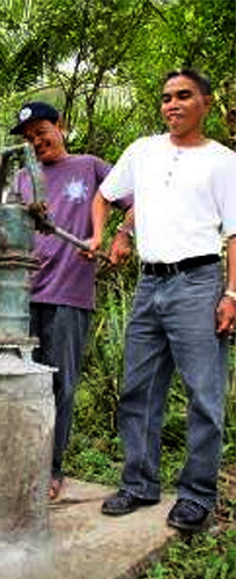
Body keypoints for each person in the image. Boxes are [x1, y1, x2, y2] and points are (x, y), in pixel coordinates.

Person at [98, 69, 236, 532]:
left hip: (198, 282)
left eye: (183, 96)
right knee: (139, 388)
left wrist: (232, 293)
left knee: (203, 393)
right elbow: (107, 194)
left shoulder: (223, 162)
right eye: (165, 98)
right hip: (148, 283)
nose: (171, 105)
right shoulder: (143, 151)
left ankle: (197, 494)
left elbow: (234, 234)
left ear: (206, 103)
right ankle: (139, 483)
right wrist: (112, 232)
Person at [10, 101, 132, 500]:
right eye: (29, 138)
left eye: (42, 131)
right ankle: (23, 463)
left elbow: (137, 199)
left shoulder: (90, 167)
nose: (37, 141)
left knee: (60, 384)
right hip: (21, 299)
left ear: (61, 126)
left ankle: (52, 468)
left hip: (69, 294)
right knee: (22, 383)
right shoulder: (22, 180)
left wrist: (119, 235)